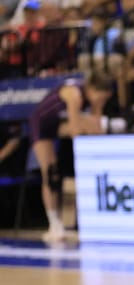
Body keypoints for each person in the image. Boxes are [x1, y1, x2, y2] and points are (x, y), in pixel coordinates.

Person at [28, 70, 116, 241]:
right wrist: (90, 126)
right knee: (51, 173)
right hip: (41, 125)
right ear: (92, 89)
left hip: (58, 124)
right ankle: (54, 224)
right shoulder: (74, 94)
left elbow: (96, 125)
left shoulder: (91, 97)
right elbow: (76, 131)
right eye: (101, 98)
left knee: (95, 125)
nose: (102, 102)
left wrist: (97, 112)